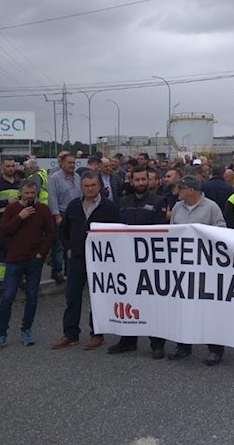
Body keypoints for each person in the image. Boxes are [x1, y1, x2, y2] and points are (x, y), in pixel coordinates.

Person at [51, 173, 120, 351]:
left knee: (97, 297)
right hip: (76, 259)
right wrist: (67, 247)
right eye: (86, 186)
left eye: (93, 185)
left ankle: (97, 333)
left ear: (99, 186)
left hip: (100, 260)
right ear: (81, 187)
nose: (90, 189)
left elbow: (118, 232)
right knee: (72, 296)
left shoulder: (109, 207)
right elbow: (63, 229)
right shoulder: (74, 206)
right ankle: (70, 333)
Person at [108, 166, 168, 358]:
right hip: (127, 260)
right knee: (128, 300)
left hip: (150, 260)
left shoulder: (159, 201)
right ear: (131, 181)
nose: (141, 183)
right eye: (137, 180)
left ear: (150, 181)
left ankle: (157, 343)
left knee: (151, 302)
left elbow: (162, 230)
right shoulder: (123, 202)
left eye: (144, 180)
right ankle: (128, 340)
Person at [167, 175, 227, 365]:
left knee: (208, 308)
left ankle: (215, 348)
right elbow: (171, 231)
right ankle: (183, 344)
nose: (178, 192)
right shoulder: (178, 207)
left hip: (205, 266)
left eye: (181, 188)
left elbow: (221, 231)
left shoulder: (211, 207)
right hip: (182, 265)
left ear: (191, 190)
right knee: (182, 306)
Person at [0, 180, 54, 351]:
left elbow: (50, 233)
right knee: (8, 297)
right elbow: (4, 230)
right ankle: (1, 334)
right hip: (14, 259)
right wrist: (20, 216)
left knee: (32, 296)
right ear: (21, 193)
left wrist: (42, 253)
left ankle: (26, 329)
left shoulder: (43, 210)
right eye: (27, 193)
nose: (30, 196)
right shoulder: (12, 209)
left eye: (33, 193)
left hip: (34, 260)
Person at [47, 153, 82, 284]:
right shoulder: (55, 178)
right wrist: (56, 215)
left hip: (75, 215)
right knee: (60, 245)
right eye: (69, 163)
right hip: (61, 214)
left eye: (74, 163)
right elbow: (52, 198)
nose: (72, 165)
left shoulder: (78, 177)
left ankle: (70, 270)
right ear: (61, 163)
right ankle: (56, 271)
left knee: (73, 243)